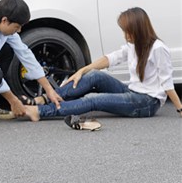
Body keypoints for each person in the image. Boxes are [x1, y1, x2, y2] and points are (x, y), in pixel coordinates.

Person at [25, 7, 182, 126]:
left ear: (139, 30)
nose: (125, 35)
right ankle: (44, 99)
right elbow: (111, 59)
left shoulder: (158, 49)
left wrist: (180, 108)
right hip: (133, 92)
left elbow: (167, 84)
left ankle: (41, 111)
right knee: (94, 75)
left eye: (127, 32)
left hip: (147, 102)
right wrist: (82, 70)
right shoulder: (134, 45)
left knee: (94, 100)